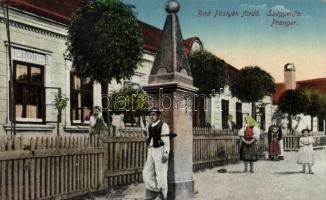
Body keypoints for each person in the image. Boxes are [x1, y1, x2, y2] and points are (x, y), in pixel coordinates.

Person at [142, 108, 170, 200]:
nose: (152, 116)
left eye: (154, 114)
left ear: (158, 115)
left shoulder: (163, 125)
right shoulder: (150, 125)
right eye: (151, 114)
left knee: (161, 173)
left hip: (160, 150)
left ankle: (163, 195)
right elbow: (149, 137)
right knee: (146, 172)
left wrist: (165, 154)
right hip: (151, 150)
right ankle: (154, 191)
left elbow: (166, 141)